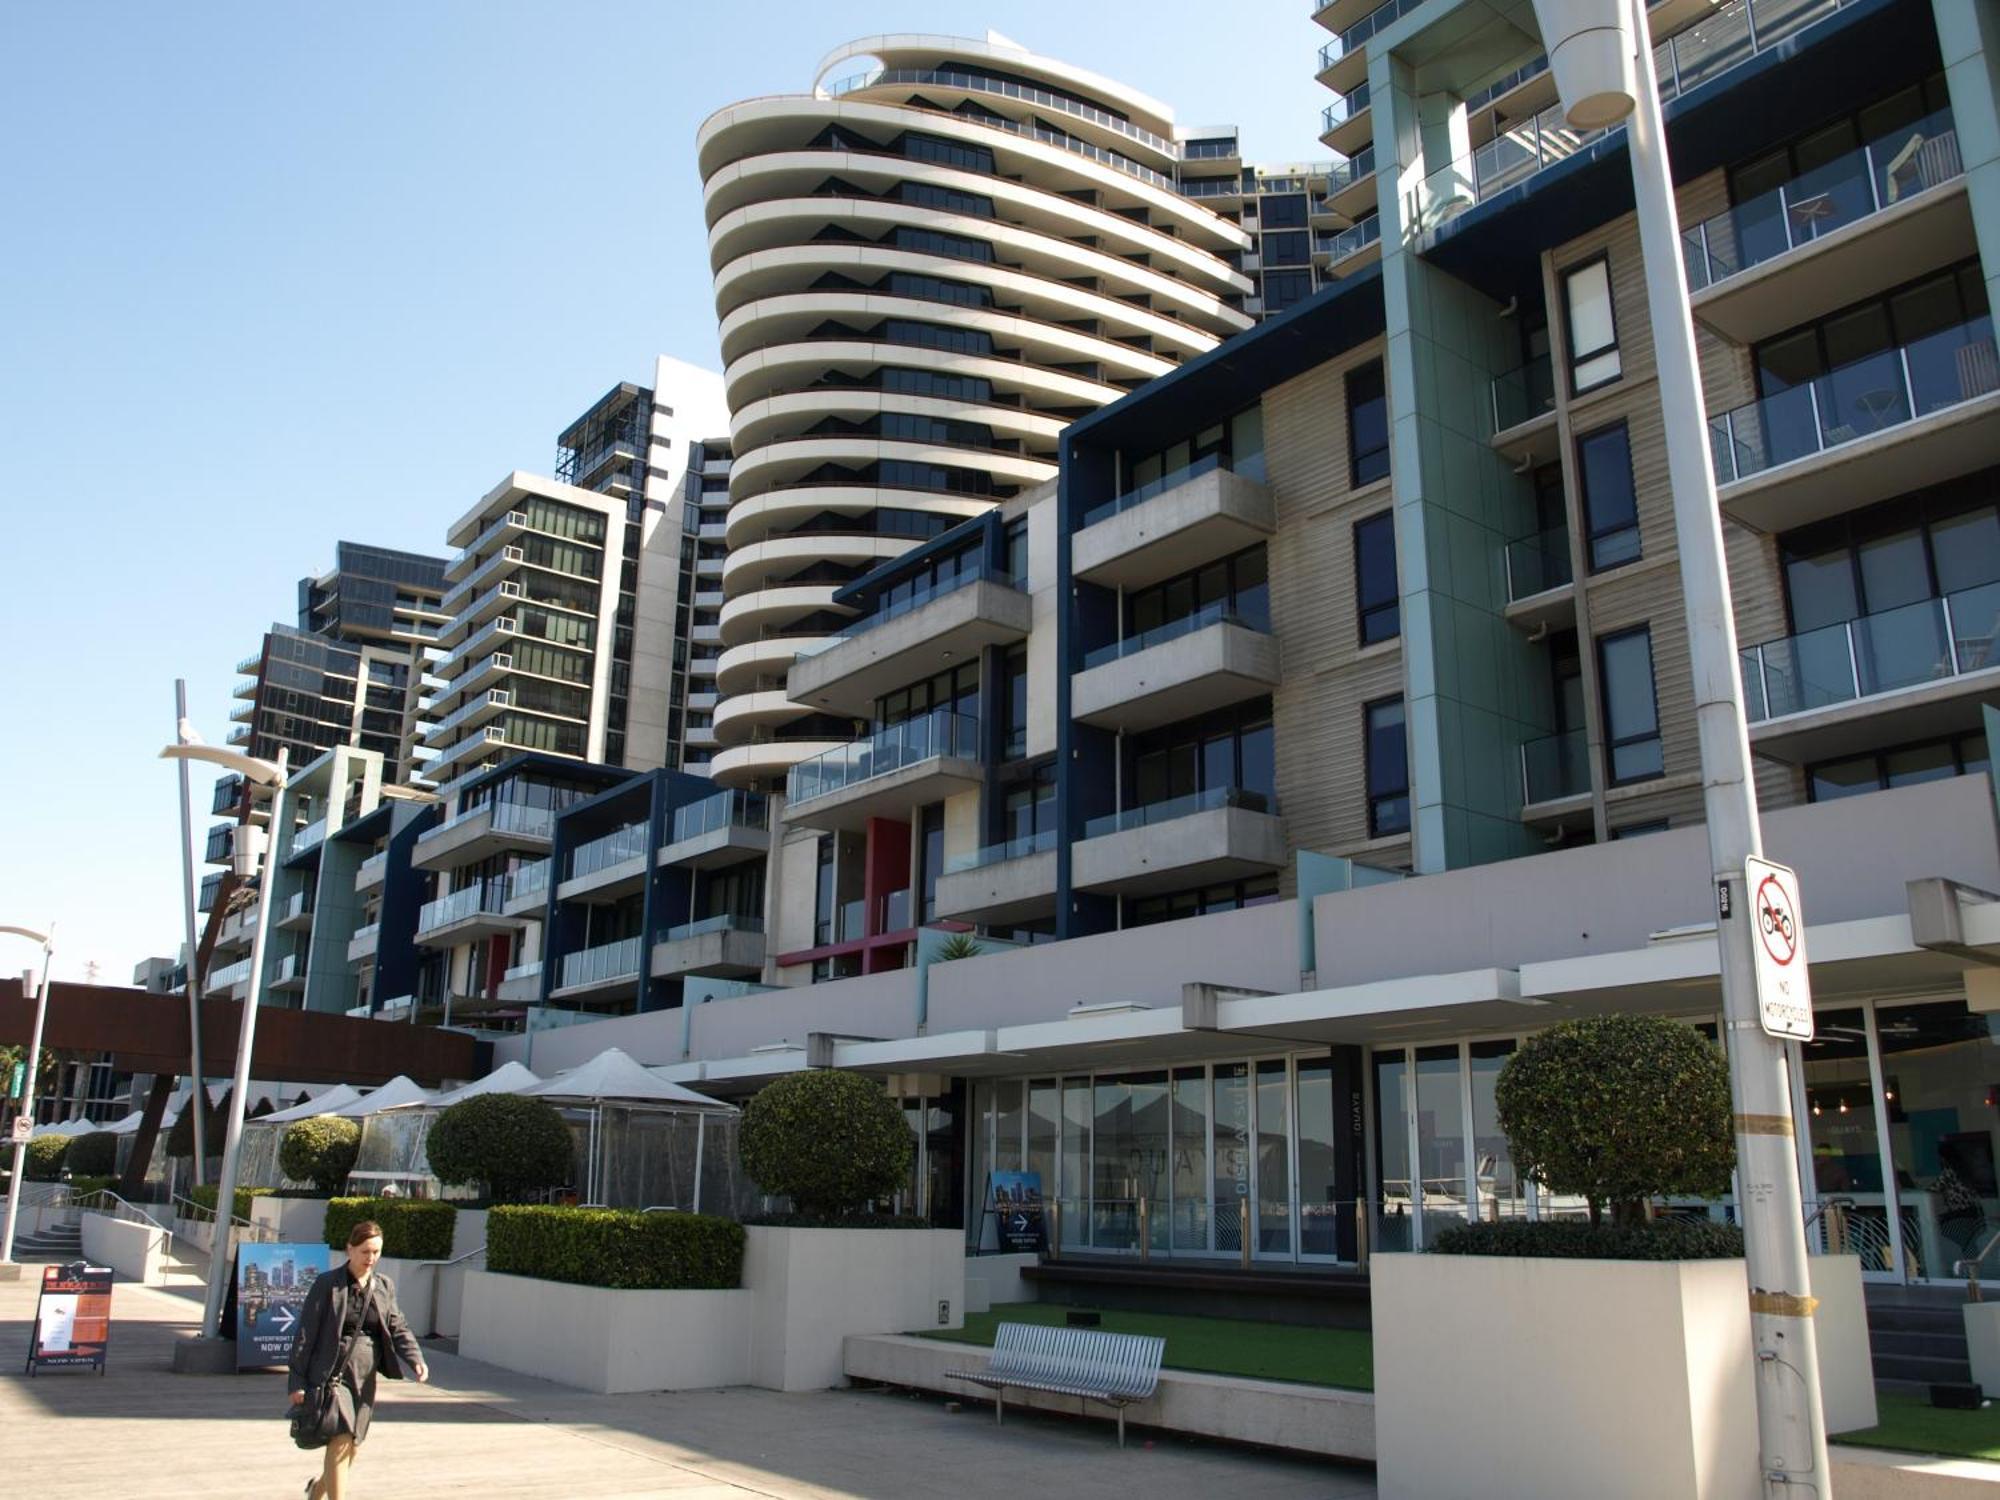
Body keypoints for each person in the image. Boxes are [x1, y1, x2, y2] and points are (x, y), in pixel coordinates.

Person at [287, 1219, 428, 1500]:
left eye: (376, 1252)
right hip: (331, 1372)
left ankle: (317, 1489)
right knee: (340, 1438)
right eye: (365, 1251)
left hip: (364, 1376)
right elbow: (305, 1333)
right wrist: (297, 1381)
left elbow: (397, 1325)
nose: (371, 1258)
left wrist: (415, 1359)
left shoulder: (383, 1286)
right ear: (349, 1250)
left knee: (352, 1444)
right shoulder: (327, 1284)